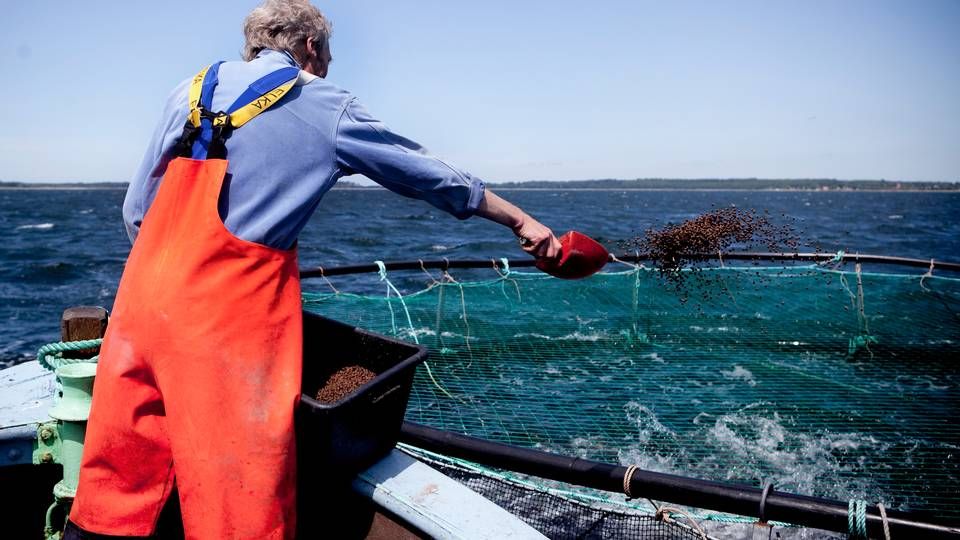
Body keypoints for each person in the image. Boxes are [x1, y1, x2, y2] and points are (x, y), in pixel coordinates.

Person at [66, 0, 560, 538]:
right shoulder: (324, 104)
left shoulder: (189, 89)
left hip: (141, 304)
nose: (328, 64)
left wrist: (172, 282)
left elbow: (135, 212)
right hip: (224, 325)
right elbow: (427, 175)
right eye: (328, 53)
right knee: (240, 490)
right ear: (309, 48)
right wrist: (520, 220)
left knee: (121, 475)